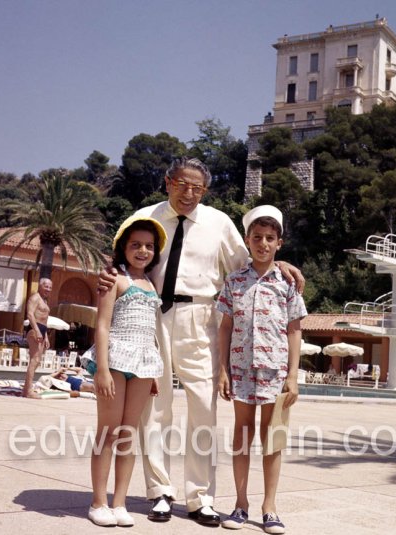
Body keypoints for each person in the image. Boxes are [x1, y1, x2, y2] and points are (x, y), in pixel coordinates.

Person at [97, 157, 305, 526]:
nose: (189, 193)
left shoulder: (219, 223)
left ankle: (200, 497)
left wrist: (283, 263)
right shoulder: (146, 215)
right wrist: (107, 273)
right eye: (182, 184)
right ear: (167, 181)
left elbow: (251, 262)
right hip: (153, 315)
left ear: (205, 191)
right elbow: (124, 255)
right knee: (154, 409)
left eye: (197, 188)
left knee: (202, 408)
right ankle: (159, 491)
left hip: (203, 317)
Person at [217, 206, 306, 534]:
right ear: (247, 240)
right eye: (257, 237)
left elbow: (295, 330)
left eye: (270, 238)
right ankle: (240, 504)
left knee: (272, 438)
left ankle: (270, 507)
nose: (263, 243)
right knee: (242, 434)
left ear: (279, 243)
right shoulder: (235, 280)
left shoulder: (287, 283)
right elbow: (224, 328)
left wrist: (293, 376)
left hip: (275, 373)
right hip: (240, 370)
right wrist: (222, 370)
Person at [82, 215, 167, 527]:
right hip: (115, 360)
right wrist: (102, 370)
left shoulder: (152, 283)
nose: (142, 250)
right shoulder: (114, 280)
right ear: (123, 248)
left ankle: (119, 503)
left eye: (148, 246)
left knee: (129, 433)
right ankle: (98, 502)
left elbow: (151, 330)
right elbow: (102, 326)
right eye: (135, 245)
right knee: (108, 431)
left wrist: (154, 371)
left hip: (144, 364)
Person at [23, 278, 52, 398]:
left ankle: (26, 388)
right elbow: (30, 314)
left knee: (36, 361)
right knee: (34, 360)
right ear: (40, 286)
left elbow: (44, 320)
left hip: (41, 330)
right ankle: (28, 391)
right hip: (34, 329)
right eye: (46, 286)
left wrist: (46, 336)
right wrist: (37, 330)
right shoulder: (35, 298)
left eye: (50, 287)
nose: (48, 289)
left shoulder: (44, 301)